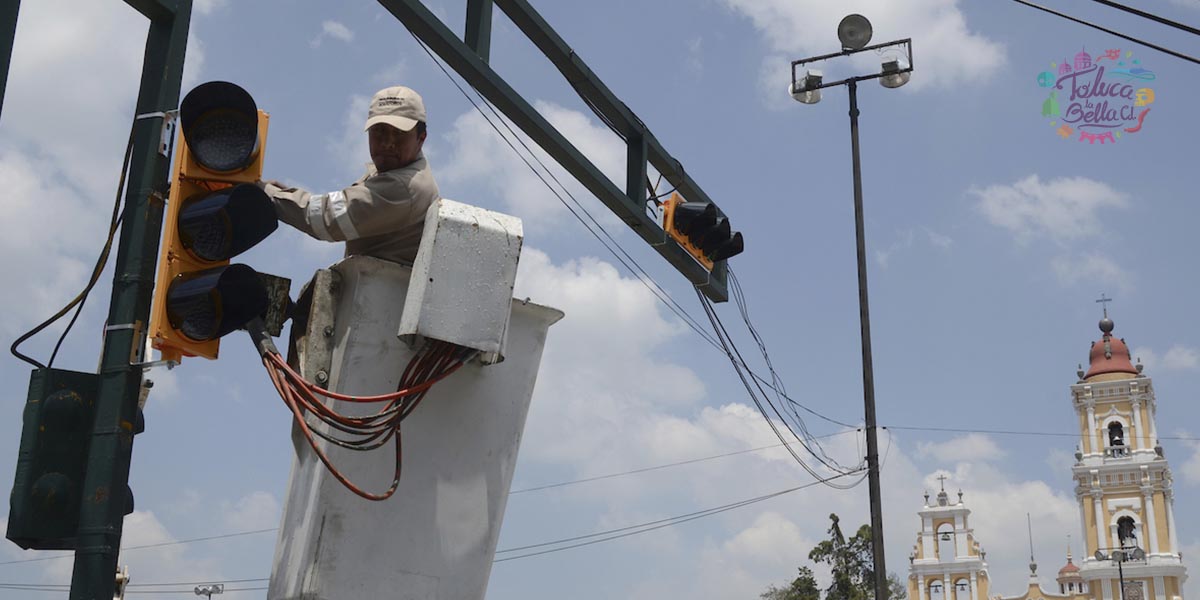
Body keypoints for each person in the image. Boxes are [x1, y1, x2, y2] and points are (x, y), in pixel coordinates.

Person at [261, 85, 440, 264]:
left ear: (421, 138)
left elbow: (326, 218)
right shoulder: (398, 171)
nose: (387, 143)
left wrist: (267, 194)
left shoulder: (403, 186)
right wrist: (286, 195)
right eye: (379, 131)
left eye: (400, 133)